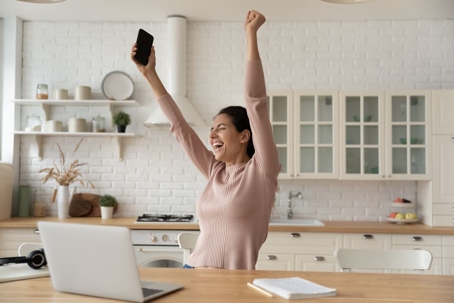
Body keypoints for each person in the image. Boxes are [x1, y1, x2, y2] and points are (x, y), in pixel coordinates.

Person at [131, 10, 280, 270]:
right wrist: (149, 74)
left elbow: (255, 103)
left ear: (244, 136)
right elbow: (179, 128)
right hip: (193, 272)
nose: (211, 135)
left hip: (236, 282)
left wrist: (250, 36)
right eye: (211, 129)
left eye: (221, 128)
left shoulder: (262, 171)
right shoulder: (215, 170)